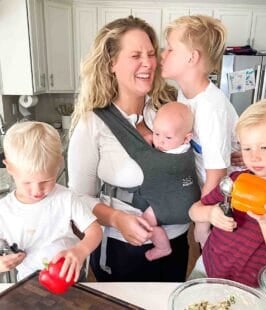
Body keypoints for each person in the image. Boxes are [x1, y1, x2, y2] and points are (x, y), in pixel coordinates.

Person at [68, 16, 195, 282]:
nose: (148, 63)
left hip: (179, 242)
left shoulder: (170, 109)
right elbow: (78, 198)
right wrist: (116, 218)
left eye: (151, 53)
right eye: (135, 55)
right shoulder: (93, 123)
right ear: (112, 64)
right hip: (124, 249)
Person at [189, 98, 266, 287]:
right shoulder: (235, 180)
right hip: (208, 268)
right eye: (246, 148)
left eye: (264, 147)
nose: (254, 156)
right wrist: (210, 213)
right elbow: (194, 211)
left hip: (253, 286)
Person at [161, 14, 239, 247]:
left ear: (192, 58)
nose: (162, 55)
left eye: (170, 49)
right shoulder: (184, 96)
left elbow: (216, 174)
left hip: (225, 206)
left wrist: (202, 224)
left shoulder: (210, 107)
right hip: (209, 200)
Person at [0, 121, 102, 282]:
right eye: (27, 183)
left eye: (46, 181)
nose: (37, 191)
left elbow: (94, 231)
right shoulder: (4, 210)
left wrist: (80, 251)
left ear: (58, 165)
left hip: (72, 277)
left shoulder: (66, 198)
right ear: (9, 168)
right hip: (29, 283)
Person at [142, 101, 194, 261]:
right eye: (157, 134)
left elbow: (154, 165)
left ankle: (162, 247)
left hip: (175, 205)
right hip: (188, 203)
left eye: (168, 137)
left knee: (146, 221)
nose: (160, 142)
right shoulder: (184, 147)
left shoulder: (172, 156)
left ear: (187, 138)